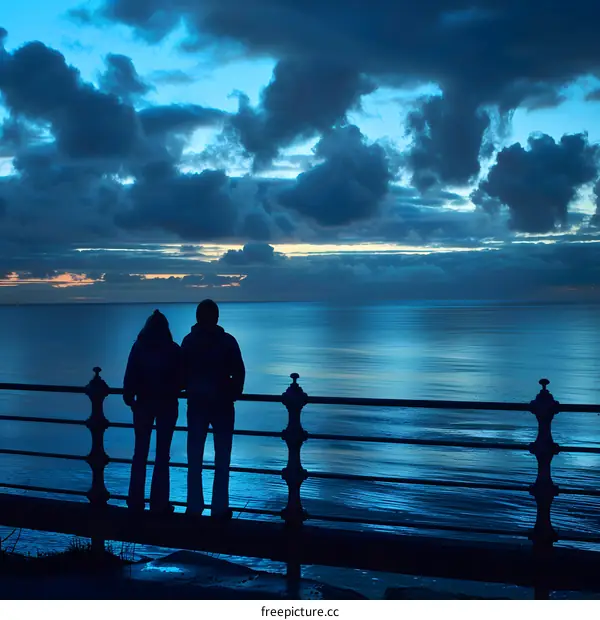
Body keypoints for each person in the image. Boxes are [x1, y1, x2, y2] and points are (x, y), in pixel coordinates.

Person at [182, 299, 245, 520]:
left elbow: (181, 375)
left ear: (197, 317)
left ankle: (193, 507)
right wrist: (233, 393)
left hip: (197, 403)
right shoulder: (227, 342)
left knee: (195, 458)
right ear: (217, 317)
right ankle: (219, 508)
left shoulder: (189, 342)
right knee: (222, 459)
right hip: (222, 405)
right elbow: (239, 371)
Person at [123, 309, 183, 514]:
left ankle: (135, 501)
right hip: (167, 405)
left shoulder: (139, 348)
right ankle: (159, 503)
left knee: (140, 453)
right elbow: (182, 380)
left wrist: (130, 397)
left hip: (143, 405)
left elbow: (129, 375)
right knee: (162, 455)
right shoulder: (173, 349)